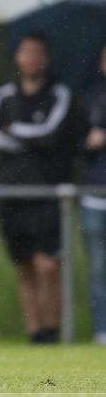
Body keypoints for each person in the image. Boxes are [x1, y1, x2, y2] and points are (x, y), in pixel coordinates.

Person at [0, 33, 80, 343]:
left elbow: (52, 134)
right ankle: (36, 333)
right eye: (26, 52)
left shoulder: (59, 94)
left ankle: (53, 331)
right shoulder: (4, 96)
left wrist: (16, 131)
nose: (32, 58)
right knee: (24, 264)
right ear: (18, 58)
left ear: (46, 58)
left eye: (37, 52)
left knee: (48, 265)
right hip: (12, 192)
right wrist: (30, 140)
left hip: (47, 192)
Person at [80, 45, 106, 346]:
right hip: (95, 195)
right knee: (98, 270)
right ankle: (102, 330)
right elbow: (74, 145)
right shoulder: (90, 97)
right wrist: (88, 143)